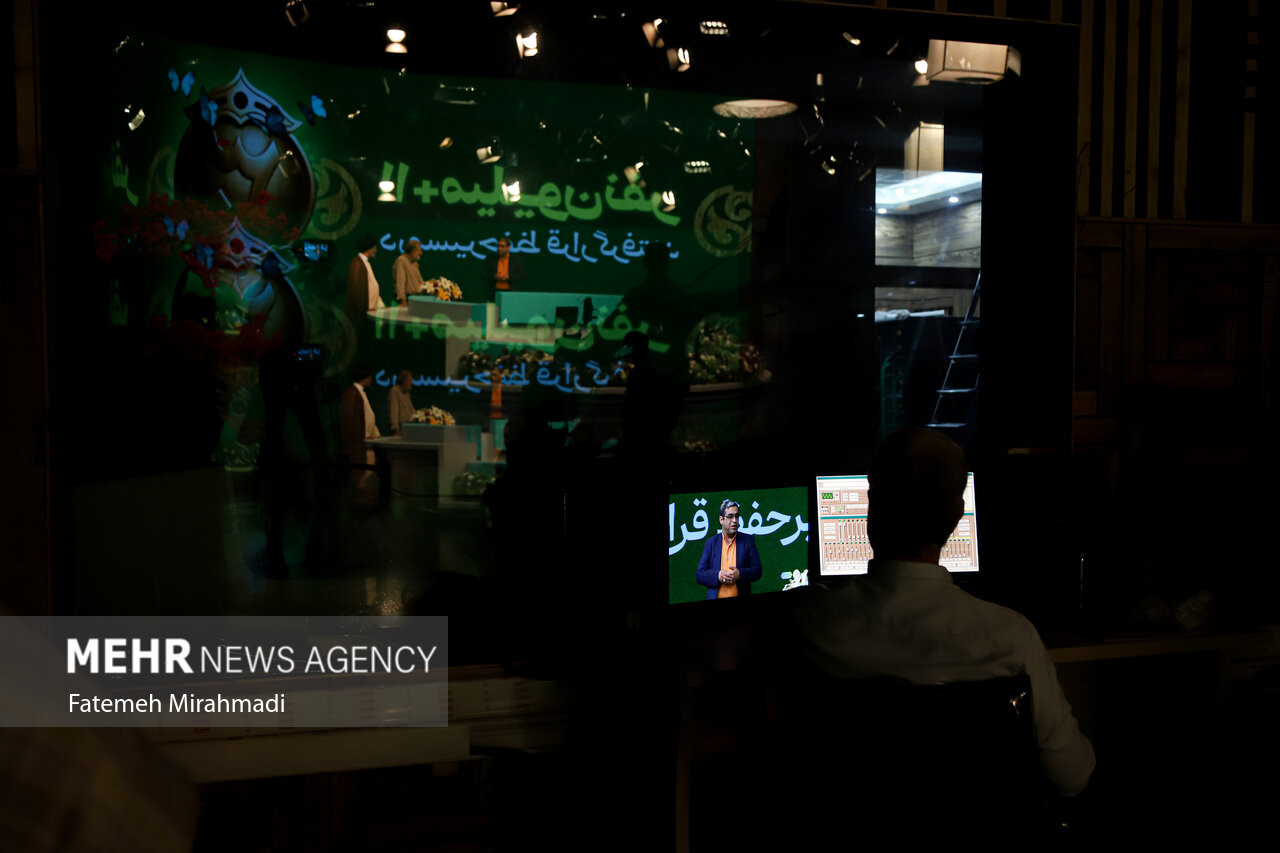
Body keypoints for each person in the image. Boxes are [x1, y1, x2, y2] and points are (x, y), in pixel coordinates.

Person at [795, 428, 1095, 796]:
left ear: (871, 508)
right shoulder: (1011, 639)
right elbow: (1072, 776)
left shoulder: (811, 625)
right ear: (955, 518)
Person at [696, 499, 764, 599]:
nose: (734, 520)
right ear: (721, 520)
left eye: (736, 516)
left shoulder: (748, 541)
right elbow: (700, 575)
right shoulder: (711, 543)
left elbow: (757, 570)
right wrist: (717, 576)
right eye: (730, 516)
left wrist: (740, 574)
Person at [341, 362, 381, 466]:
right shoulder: (352, 394)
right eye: (369, 377)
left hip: (366, 442)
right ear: (364, 377)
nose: (371, 380)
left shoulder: (360, 392)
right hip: (360, 444)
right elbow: (350, 421)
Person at [393, 238, 426, 306]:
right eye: (419, 251)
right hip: (406, 300)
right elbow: (400, 281)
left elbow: (420, 281)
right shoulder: (401, 261)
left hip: (416, 299)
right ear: (413, 251)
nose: (421, 253)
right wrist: (403, 299)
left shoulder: (415, 263)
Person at [388, 369, 417, 435]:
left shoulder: (407, 394)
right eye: (410, 381)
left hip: (409, 429)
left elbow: (412, 412)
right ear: (404, 381)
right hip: (400, 430)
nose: (412, 383)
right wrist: (396, 429)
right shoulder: (394, 391)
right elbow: (394, 412)